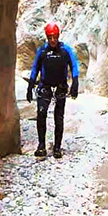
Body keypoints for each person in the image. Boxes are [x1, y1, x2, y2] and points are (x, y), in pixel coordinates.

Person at [26, 21, 80, 158]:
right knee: (41, 115)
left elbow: (74, 65)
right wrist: (30, 85)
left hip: (60, 86)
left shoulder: (65, 50)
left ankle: (57, 148)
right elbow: (35, 68)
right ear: (47, 37)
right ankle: (41, 146)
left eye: (55, 37)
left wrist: (75, 82)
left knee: (58, 118)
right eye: (50, 38)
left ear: (58, 36)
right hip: (45, 86)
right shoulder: (42, 51)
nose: (52, 40)